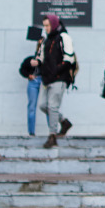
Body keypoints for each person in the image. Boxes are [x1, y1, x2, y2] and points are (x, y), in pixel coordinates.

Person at [35, 13, 74, 148]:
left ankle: (52, 136)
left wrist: (56, 70)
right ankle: (64, 121)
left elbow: (69, 59)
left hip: (59, 78)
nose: (45, 28)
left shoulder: (64, 37)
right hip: (46, 79)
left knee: (52, 106)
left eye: (47, 25)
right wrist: (36, 62)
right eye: (44, 26)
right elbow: (42, 58)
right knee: (43, 105)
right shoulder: (46, 40)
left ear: (54, 24)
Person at [19, 34, 44, 136]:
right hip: (34, 81)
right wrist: (28, 75)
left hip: (44, 82)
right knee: (31, 107)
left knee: (47, 106)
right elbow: (22, 69)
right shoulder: (31, 59)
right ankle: (31, 132)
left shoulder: (48, 59)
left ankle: (52, 132)